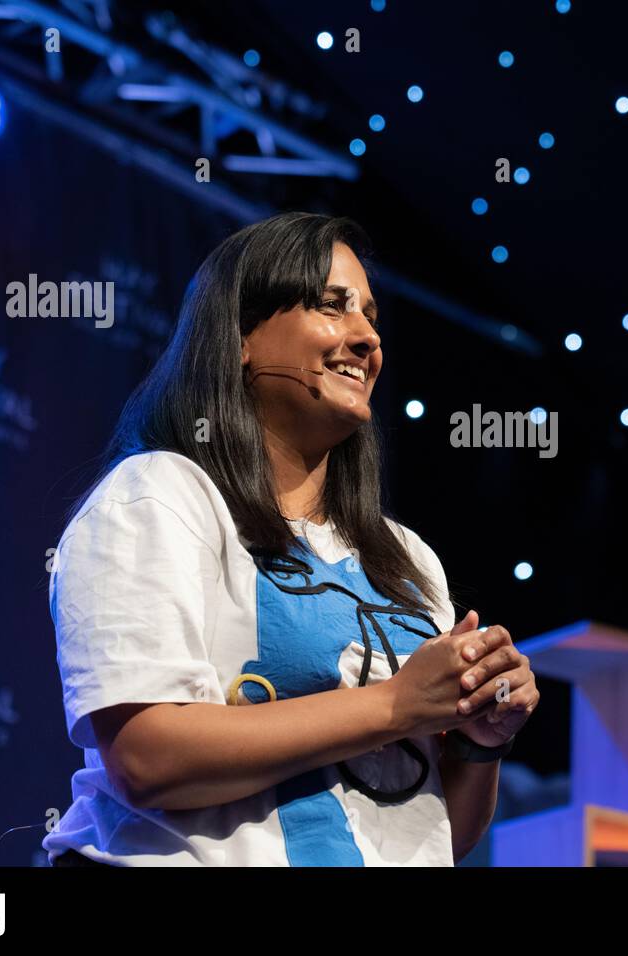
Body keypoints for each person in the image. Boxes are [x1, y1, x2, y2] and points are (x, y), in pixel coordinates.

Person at [42, 212, 538, 866]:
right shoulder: (160, 496)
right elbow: (148, 758)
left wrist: (479, 740)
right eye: (333, 308)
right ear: (241, 337)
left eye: (371, 317)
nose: (366, 339)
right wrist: (395, 703)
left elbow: (437, 831)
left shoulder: (409, 560)